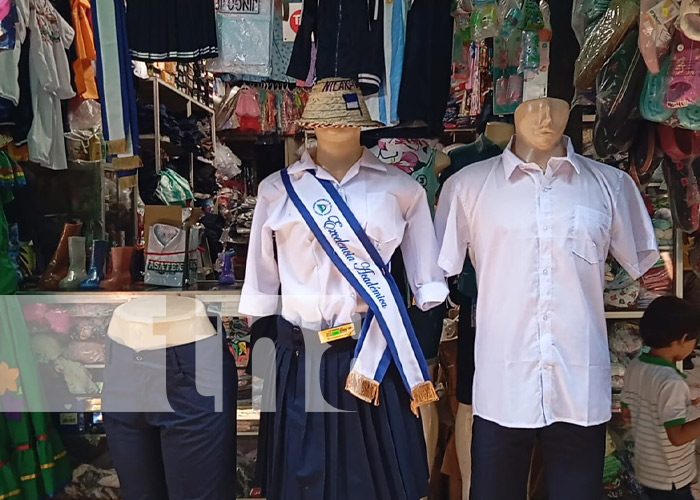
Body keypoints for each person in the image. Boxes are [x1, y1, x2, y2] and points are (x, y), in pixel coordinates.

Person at [621, 296, 700, 500]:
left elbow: (628, 410)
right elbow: (677, 436)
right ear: (682, 340)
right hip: (671, 478)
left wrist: (688, 399)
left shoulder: (635, 366)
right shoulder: (671, 382)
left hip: (645, 468)